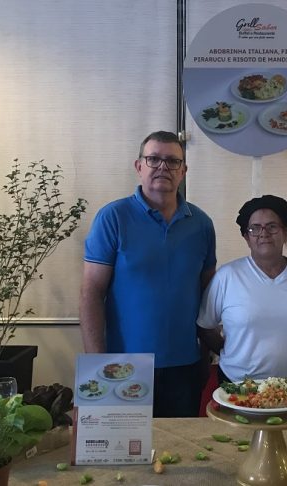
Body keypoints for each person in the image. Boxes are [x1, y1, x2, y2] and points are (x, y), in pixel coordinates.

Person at [79, 130, 216, 417]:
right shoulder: (113, 218)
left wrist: (206, 356)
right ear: (139, 166)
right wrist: (96, 364)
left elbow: (207, 299)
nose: (163, 167)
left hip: (184, 366)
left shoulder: (201, 224)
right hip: (124, 365)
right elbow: (91, 291)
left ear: (183, 171)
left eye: (173, 161)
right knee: (124, 445)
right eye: (154, 159)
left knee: (182, 444)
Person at [197, 195, 287, 385]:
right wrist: (231, 351)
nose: (264, 233)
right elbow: (205, 326)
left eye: (272, 226)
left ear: (286, 232)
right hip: (239, 386)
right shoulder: (227, 276)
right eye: (255, 228)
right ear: (246, 237)